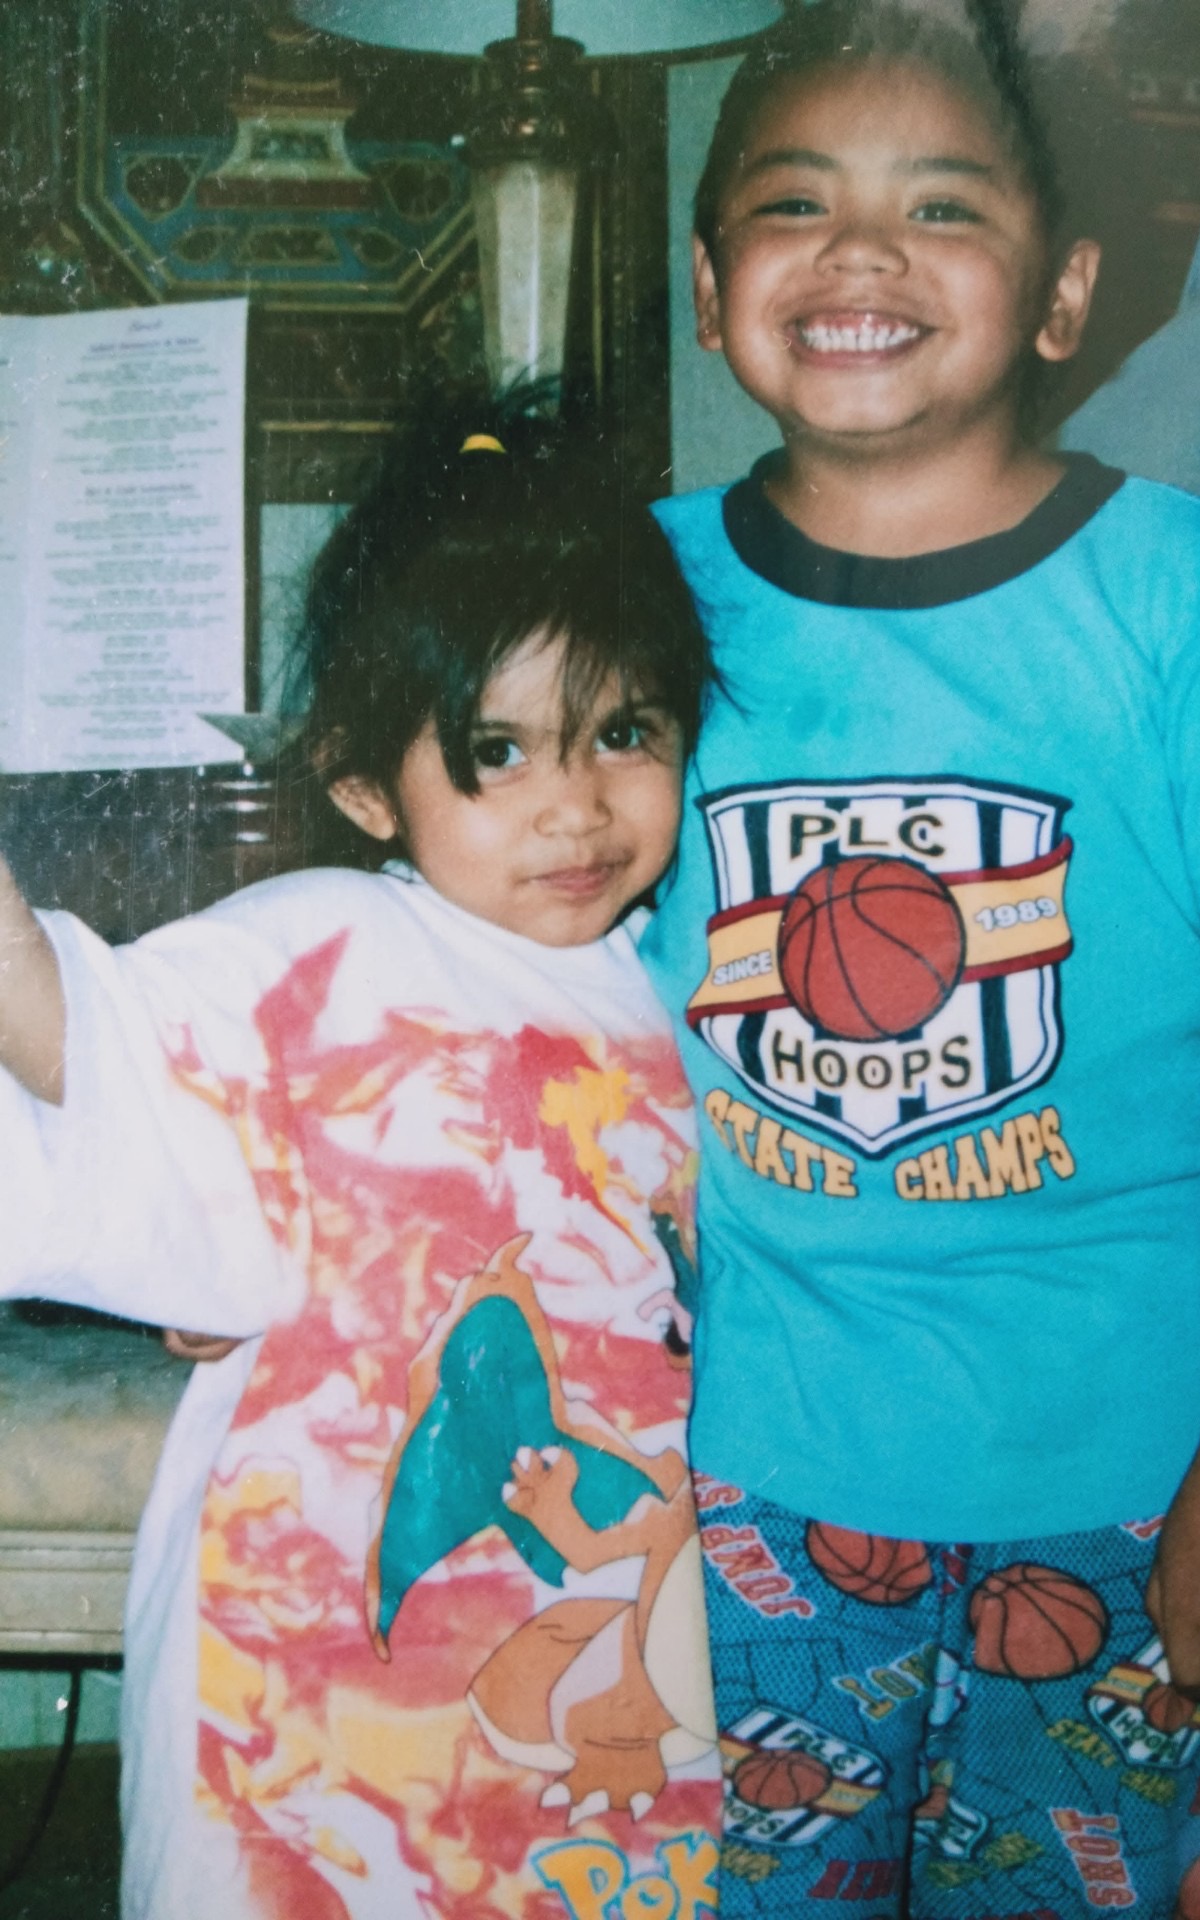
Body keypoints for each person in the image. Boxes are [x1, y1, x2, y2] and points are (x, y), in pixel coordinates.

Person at [637, 5, 1200, 1915]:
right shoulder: (624, 600)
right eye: (794, 203)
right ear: (713, 284)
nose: (861, 251)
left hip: (1132, 1479)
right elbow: (463, 966)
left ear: (1063, 295)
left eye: (941, 206)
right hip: (743, 1475)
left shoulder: (1190, 594)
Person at [0, 399, 722, 1920]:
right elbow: (96, 1052)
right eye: (498, 752)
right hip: (310, 1663)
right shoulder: (318, 947)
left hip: (608, 1643)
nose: (575, 806)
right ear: (365, 787)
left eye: (624, 734)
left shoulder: (693, 994)